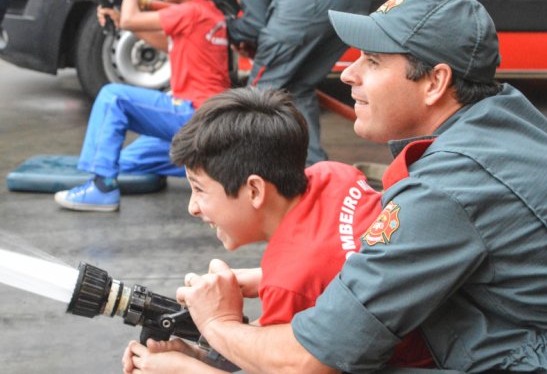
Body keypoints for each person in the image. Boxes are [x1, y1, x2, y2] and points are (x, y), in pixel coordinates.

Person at [159, 0, 547, 373]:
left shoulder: (450, 187)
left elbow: (308, 358)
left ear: (435, 82)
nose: (349, 74)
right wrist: (258, 280)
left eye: (374, 62)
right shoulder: (497, 116)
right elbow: (399, 253)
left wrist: (216, 327)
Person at [121, 87, 435, 373]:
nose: (192, 206)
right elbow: (337, 253)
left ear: (255, 190)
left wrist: (185, 364)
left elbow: (281, 363)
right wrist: (202, 352)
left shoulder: (290, 281)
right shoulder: (333, 175)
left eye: (200, 190)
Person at [54, 0, 230, 212]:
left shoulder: (190, 12)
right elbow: (168, 44)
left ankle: (102, 189)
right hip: (209, 123)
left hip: (195, 115)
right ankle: (211, 168)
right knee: (123, 162)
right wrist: (125, 22)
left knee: (113, 97)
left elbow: (130, 18)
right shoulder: (208, 13)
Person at [219, 0, 370, 166]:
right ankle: (313, 168)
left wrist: (217, 27)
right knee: (300, 87)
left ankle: (237, 167)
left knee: (258, 94)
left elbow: (254, 24)